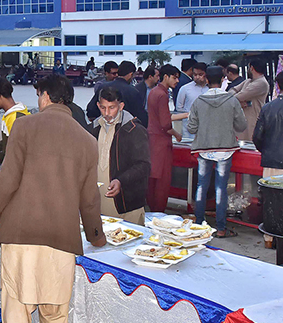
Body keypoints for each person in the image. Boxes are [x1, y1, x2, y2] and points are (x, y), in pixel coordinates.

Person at [0, 74, 105, 323]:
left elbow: (8, 178)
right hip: (63, 235)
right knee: (55, 304)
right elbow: (89, 198)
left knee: (18, 302)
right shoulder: (87, 140)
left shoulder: (25, 127)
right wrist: (96, 235)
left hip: (23, 231)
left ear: (44, 97)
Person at [186, 66, 248, 238]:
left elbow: (191, 128)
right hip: (225, 149)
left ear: (206, 80)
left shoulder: (198, 101)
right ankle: (221, 228)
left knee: (201, 186)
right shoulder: (232, 100)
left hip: (204, 149)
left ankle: (199, 223)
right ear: (223, 80)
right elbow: (241, 125)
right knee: (221, 188)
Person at [89, 86, 150, 225]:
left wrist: (121, 181)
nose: (107, 113)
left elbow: (143, 165)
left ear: (121, 106)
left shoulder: (134, 130)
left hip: (126, 202)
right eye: (103, 108)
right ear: (98, 105)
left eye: (112, 108)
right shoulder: (93, 129)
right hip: (99, 201)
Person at [147, 64, 182, 212]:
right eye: (174, 78)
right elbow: (166, 124)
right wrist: (177, 134)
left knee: (152, 180)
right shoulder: (162, 94)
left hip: (152, 139)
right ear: (166, 77)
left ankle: (152, 211)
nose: (177, 81)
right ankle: (159, 213)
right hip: (161, 141)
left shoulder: (153, 92)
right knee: (162, 181)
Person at [230, 58, 269, 141]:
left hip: (253, 120)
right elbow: (233, 90)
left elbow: (238, 96)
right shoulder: (248, 81)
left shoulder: (261, 83)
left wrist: (236, 99)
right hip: (242, 120)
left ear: (251, 68)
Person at [175, 62, 208, 139]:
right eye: (195, 74)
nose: (197, 77)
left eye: (200, 74)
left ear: (206, 74)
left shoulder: (210, 89)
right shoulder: (185, 89)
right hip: (188, 129)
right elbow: (179, 108)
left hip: (206, 127)